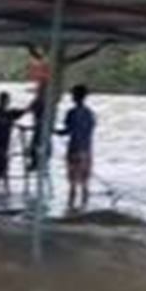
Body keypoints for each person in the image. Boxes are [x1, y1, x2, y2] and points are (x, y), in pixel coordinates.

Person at [59, 84, 98, 213]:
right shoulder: (90, 114)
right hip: (86, 150)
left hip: (74, 150)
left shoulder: (71, 113)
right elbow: (90, 130)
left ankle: (70, 208)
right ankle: (84, 209)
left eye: (73, 95)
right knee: (85, 184)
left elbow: (67, 131)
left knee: (72, 184)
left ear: (75, 97)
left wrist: (53, 131)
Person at [0, 91, 26, 194]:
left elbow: (24, 111)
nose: (4, 102)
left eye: (6, 101)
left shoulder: (9, 114)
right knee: (2, 169)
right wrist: (11, 122)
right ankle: (6, 191)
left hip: (3, 146)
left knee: (1, 169)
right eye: (3, 100)